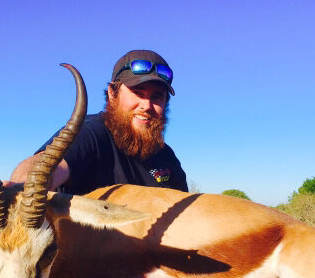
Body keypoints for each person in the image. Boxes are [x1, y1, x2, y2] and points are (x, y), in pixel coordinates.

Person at [10, 50, 188, 194]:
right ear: (112, 93)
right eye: (138, 93)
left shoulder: (167, 157)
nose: (146, 105)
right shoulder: (92, 133)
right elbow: (46, 165)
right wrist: (23, 186)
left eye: (157, 97)